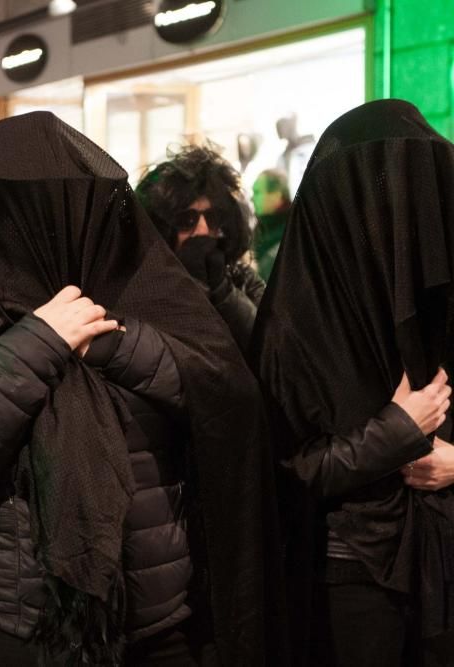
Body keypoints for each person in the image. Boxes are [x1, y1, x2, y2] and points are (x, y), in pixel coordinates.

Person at [0, 111, 284, 666]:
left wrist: (109, 339)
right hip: (18, 628)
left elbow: (220, 392)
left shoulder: (140, 289)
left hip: (159, 624)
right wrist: (40, 341)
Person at [253, 99, 454, 667]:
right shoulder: (298, 321)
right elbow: (282, 470)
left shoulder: (442, 299)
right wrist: (396, 433)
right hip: (350, 566)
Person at [136, 144, 265, 352]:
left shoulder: (241, 278)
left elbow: (269, 346)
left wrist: (223, 292)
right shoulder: (142, 286)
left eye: (212, 218)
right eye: (187, 219)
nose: (203, 230)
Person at [252, 169, 291, 282]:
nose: (252, 198)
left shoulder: (293, 230)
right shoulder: (262, 228)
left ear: (277, 196)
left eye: (257, 192)